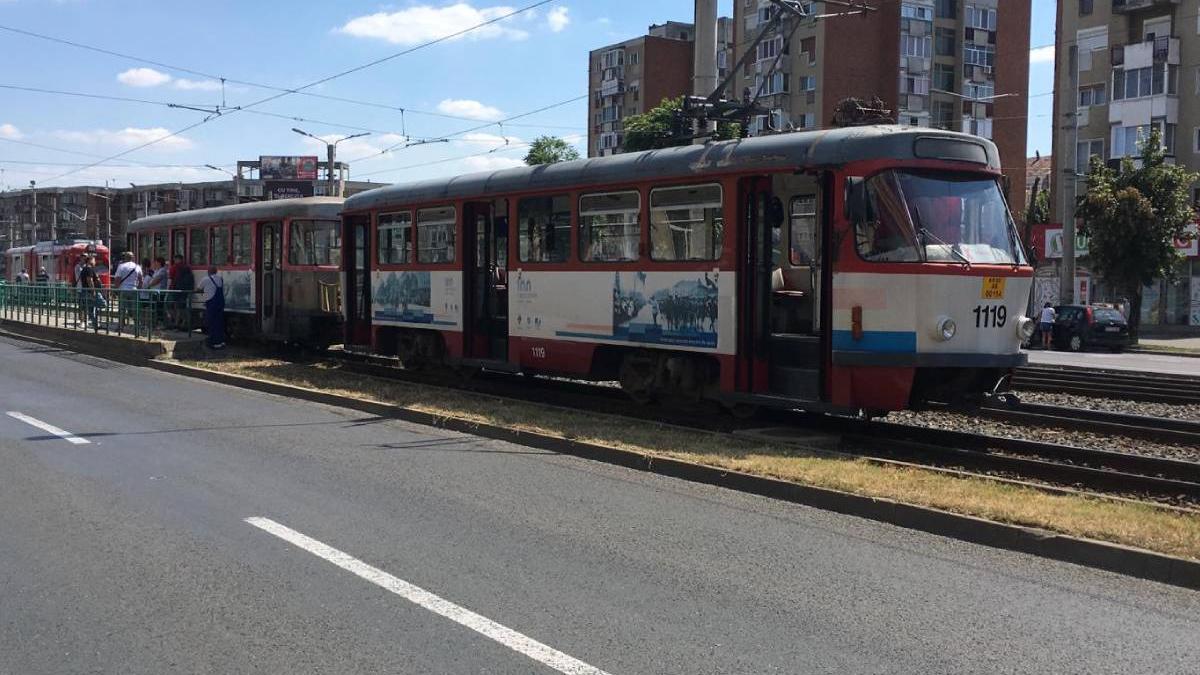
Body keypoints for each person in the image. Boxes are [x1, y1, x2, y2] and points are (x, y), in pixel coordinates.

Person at [195, 265, 225, 349]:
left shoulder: (206, 279)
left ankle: (214, 342)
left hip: (211, 303)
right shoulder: (220, 279)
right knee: (219, 322)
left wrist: (203, 291)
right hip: (220, 303)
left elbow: (198, 289)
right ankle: (221, 341)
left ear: (208, 271)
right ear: (216, 271)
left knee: (211, 323)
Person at [77, 253, 103, 329]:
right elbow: (89, 280)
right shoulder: (89, 269)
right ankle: (94, 324)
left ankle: (95, 324)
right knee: (102, 304)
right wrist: (93, 290)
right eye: (94, 260)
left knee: (91, 308)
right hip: (90, 291)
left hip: (85, 291)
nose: (95, 262)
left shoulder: (85, 268)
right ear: (90, 260)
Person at [168, 254, 194, 329]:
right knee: (182, 306)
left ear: (176, 259)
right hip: (185, 290)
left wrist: (168, 289)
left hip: (176, 289)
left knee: (171, 306)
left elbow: (170, 279)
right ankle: (183, 322)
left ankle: (176, 322)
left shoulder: (174, 267)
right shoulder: (187, 267)